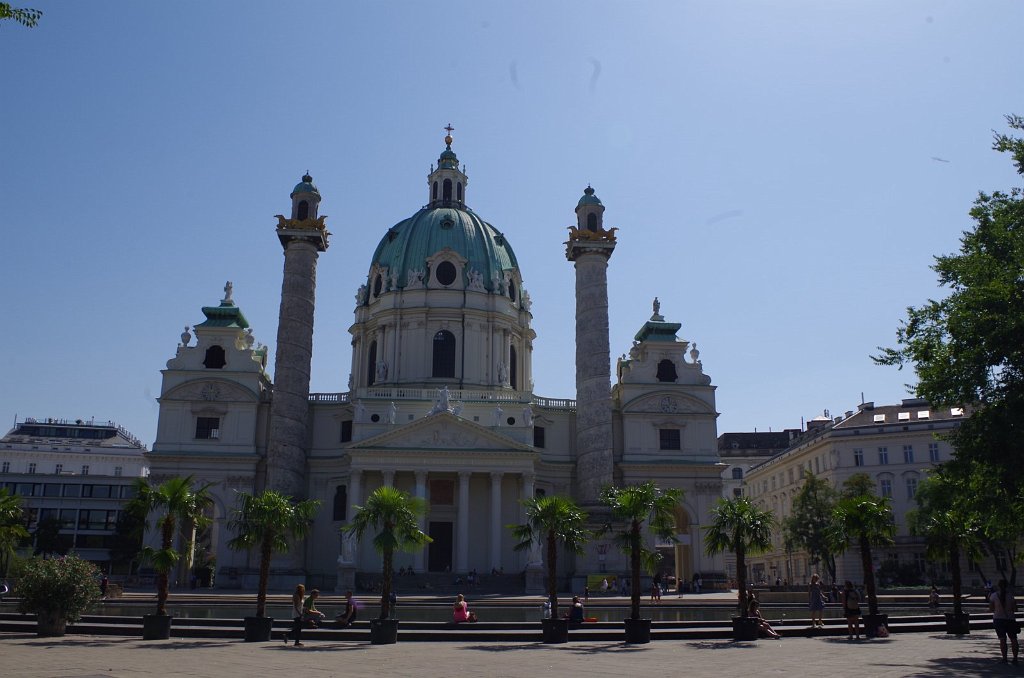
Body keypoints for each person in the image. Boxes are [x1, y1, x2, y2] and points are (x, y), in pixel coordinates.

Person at [990, 579, 1019, 664]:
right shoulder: (1010, 596)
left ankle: (1004, 658)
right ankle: (1015, 658)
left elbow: (991, 609)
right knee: (1013, 639)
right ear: (1007, 586)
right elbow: (1015, 609)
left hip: (998, 619)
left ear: (998, 586)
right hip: (1010, 619)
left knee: (1002, 640)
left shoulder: (994, 596)